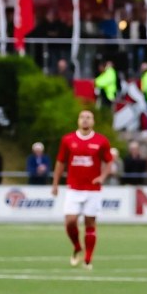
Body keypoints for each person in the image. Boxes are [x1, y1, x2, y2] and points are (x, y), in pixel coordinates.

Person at [51, 110, 112, 270]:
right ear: (78, 120)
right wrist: (55, 183)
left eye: (88, 117)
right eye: (82, 117)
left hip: (93, 189)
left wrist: (102, 177)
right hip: (74, 188)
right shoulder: (68, 140)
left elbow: (109, 162)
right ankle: (77, 246)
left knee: (90, 223)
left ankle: (87, 259)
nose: (85, 120)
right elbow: (60, 162)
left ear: (93, 121)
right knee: (70, 221)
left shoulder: (101, 141)